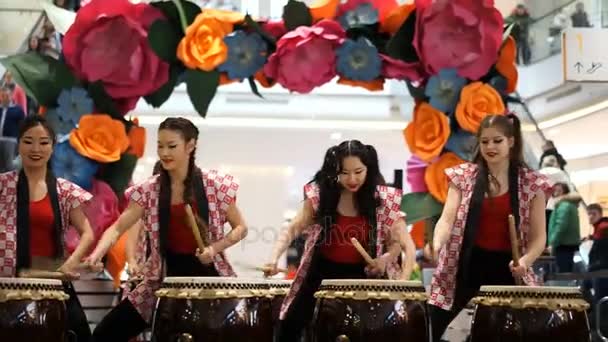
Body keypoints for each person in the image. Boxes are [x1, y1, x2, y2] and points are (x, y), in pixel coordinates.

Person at [84, 117, 248, 341]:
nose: (164, 152)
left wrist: (215, 248)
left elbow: (241, 228)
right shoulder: (149, 190)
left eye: (172, 146)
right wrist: (96, 255)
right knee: (104, 334)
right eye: (160, 146)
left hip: (210, 277)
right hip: (161, 277)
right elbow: (116, 228)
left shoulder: (214, 185)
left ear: (190, 146)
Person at [263, 140, 416, 342]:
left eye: (358, 172)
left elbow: (404, 245)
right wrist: (273, 258)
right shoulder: (321, 195)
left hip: (362, 277)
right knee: (289, 325)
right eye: (344, 173)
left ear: (368, 169)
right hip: (321, 275)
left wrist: (391, 268)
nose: (352, 179)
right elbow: (292, 229)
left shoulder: (383, 199)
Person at [429, 114, 552, 342]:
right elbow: (446, 220)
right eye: (484, 141)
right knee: (438, 331)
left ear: (511, 142)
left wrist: (525, 261)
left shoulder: (532, 183)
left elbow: (539, 238)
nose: (490, 147)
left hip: (509, 268)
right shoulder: (463, 176)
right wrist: (437, 242)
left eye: (497, 140)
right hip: (464, 267)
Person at [0, 115, 95, 342]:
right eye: (28, 141)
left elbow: (87, 232)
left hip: (52, 284)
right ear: (19, 144)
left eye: (43, 142)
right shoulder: (2, 185)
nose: (36, 148)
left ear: (52, 147)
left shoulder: (65, 191)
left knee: (81, 336)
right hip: (6, 285)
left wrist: (71, 263)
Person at [547, 182, 581, 273]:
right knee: (567, 270)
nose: (556, 193)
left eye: (559, 191)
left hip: (563, 244)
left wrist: (552, 242)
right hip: (568, 244)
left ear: (565, 192)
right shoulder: (570, 205)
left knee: (563, 272)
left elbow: (561, 225)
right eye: (555, 191)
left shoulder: (563, 205)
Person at [586, 203, 608, 304]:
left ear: (600, 214)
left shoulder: (603, 227)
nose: (590, 216)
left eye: (593, 214)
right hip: (598, 268)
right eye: (589, 214)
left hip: (601, 269)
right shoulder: (599, 227)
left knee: (600, 301)